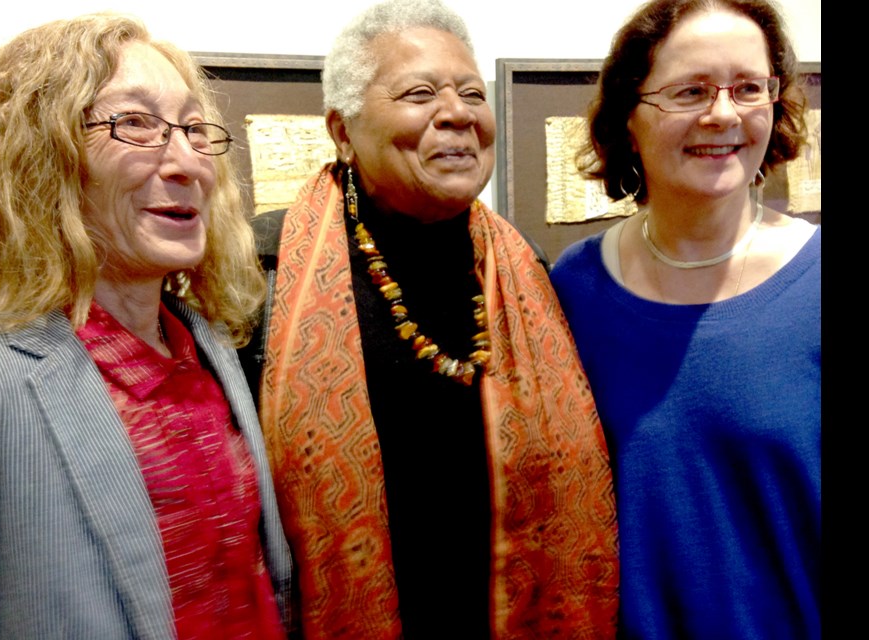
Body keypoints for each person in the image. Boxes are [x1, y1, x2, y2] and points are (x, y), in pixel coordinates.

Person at [237, 0, 619, 637]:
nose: (457, 113)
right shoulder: (262, 274)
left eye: (472, 92)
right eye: (420, 93)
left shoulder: (525, 269)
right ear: (342, 128)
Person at [0, 13, 293, 638]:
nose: (187, 163)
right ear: (44, 156)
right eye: (135, 124)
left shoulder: (209, 348)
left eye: (195, 130)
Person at [549, 0, 820, 637]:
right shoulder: (573, 287)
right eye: (690, 90)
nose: (723, 113)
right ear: (628, 116)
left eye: (749, 87)